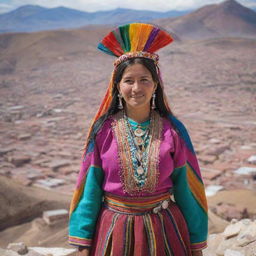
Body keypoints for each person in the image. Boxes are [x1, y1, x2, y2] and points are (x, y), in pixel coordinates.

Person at [68, 23, 208, 256]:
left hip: (166, 231)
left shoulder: (174, 131)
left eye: (144, 80)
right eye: (128, 80)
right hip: (114, 232)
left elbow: (188, 189)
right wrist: (83, 244)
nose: (136, 88)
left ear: (156, 85)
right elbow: (89, 189)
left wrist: (195, 246)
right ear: (117, 86)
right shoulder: (102, 131)